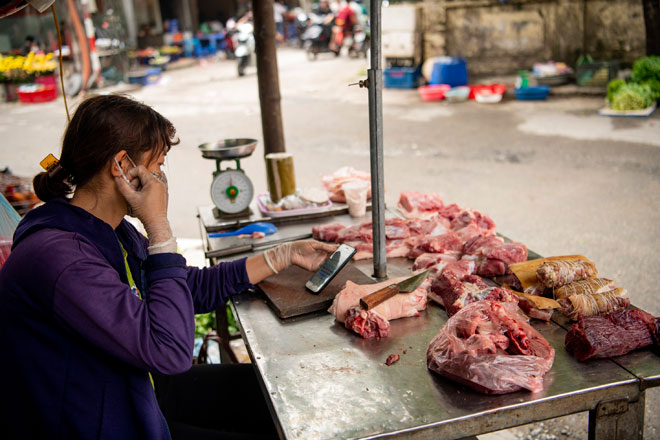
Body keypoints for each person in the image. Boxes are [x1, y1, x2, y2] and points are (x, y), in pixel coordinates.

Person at [0, 94, 337, 440]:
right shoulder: (60, 258)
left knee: (272, 391)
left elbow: (180, 288)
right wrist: (159, 227)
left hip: (131, 388)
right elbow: (169, 351)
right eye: (158, 165)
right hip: (98, 421)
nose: (161, 179)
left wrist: (279, 257)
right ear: (122, 166)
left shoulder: (109, 230)